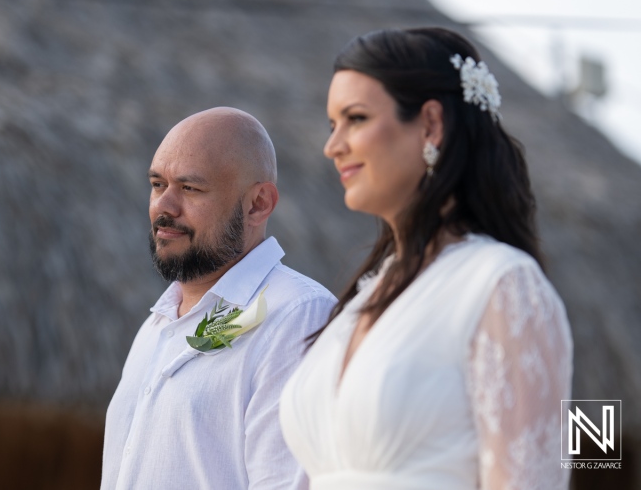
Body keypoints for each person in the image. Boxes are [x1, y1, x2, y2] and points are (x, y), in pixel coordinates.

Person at [279, 28, 573, 490]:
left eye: (355, 118)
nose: (332, 146)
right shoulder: (362, 297)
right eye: (331, 124)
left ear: (431, 124)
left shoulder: (501, 287)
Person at [101, 107, 336, 490]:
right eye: (158, 184)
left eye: (190, 188)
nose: (164, 207)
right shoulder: (156, 325)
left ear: (258, 204)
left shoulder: (297, 316)